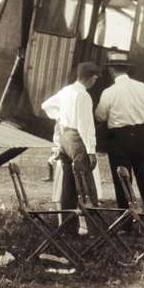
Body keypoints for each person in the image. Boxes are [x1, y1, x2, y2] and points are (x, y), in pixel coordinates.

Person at [95, 53, 144, 214]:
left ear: (111, 70)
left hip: (119, 138)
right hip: (142, 136)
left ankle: (126, 223)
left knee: (122, 181)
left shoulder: (109, 92)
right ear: (127, 69)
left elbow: (100, 116)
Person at [40, 62, 102, 232]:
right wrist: (91, 150)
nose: (95, 82)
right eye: (95, 78)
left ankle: (68, 227)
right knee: (85, 184)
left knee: (68, 183)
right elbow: (85, 125)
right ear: (90, 78)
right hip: (76, 138)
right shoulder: (83, 96)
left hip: (64, 137)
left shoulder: (66, 91)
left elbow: (46, 105)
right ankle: (95, 228)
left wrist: (60, 117)